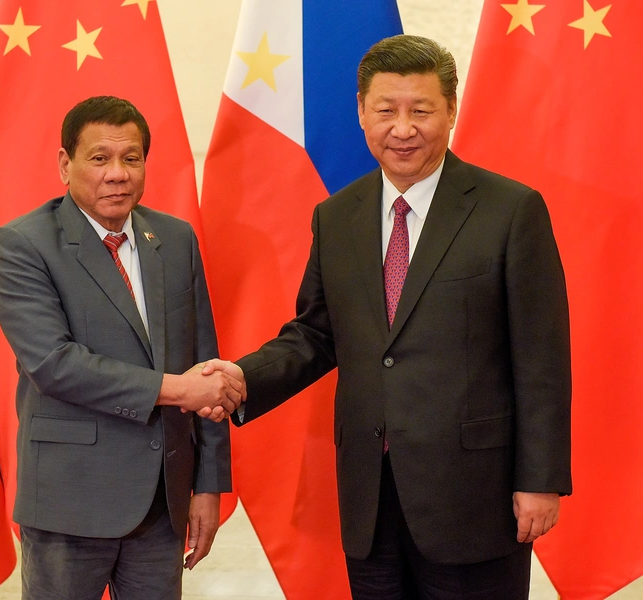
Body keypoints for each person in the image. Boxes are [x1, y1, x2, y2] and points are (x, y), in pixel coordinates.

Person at [204, 35, 571, 598]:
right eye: (386, 111)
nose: (402, 128)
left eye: (420, 111)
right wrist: (241, 378)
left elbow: (541, 358)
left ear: (450, 111)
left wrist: (541, 481)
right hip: (371, 497)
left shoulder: (510, 210)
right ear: (360, 112)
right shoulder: (337, 216)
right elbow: (316, 333)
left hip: (475, 496)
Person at [0, 95, 242, 600]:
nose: (117, 174)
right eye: (99, 158)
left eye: (131, 158)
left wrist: (209, 484)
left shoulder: (174, 239)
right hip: (70, 503)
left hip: (161, 505)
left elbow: (204, 363)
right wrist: (177, 391)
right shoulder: (22, 244)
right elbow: (54, 365)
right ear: (66, 164)